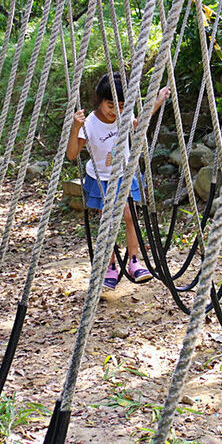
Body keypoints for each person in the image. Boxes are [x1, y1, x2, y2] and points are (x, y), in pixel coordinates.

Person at [67, 72, 171, 290]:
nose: (115, 111)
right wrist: (75, 127)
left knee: (129, 215)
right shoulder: (91, 124)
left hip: (125, 173)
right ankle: (110, 266)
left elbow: (139, 121)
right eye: (110, 105)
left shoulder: (124, 115)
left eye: (121, 106)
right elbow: (72, 154)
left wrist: (158, 101)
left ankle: (134, 261)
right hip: (101, 178)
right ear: (100, 101)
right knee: (108, 222)